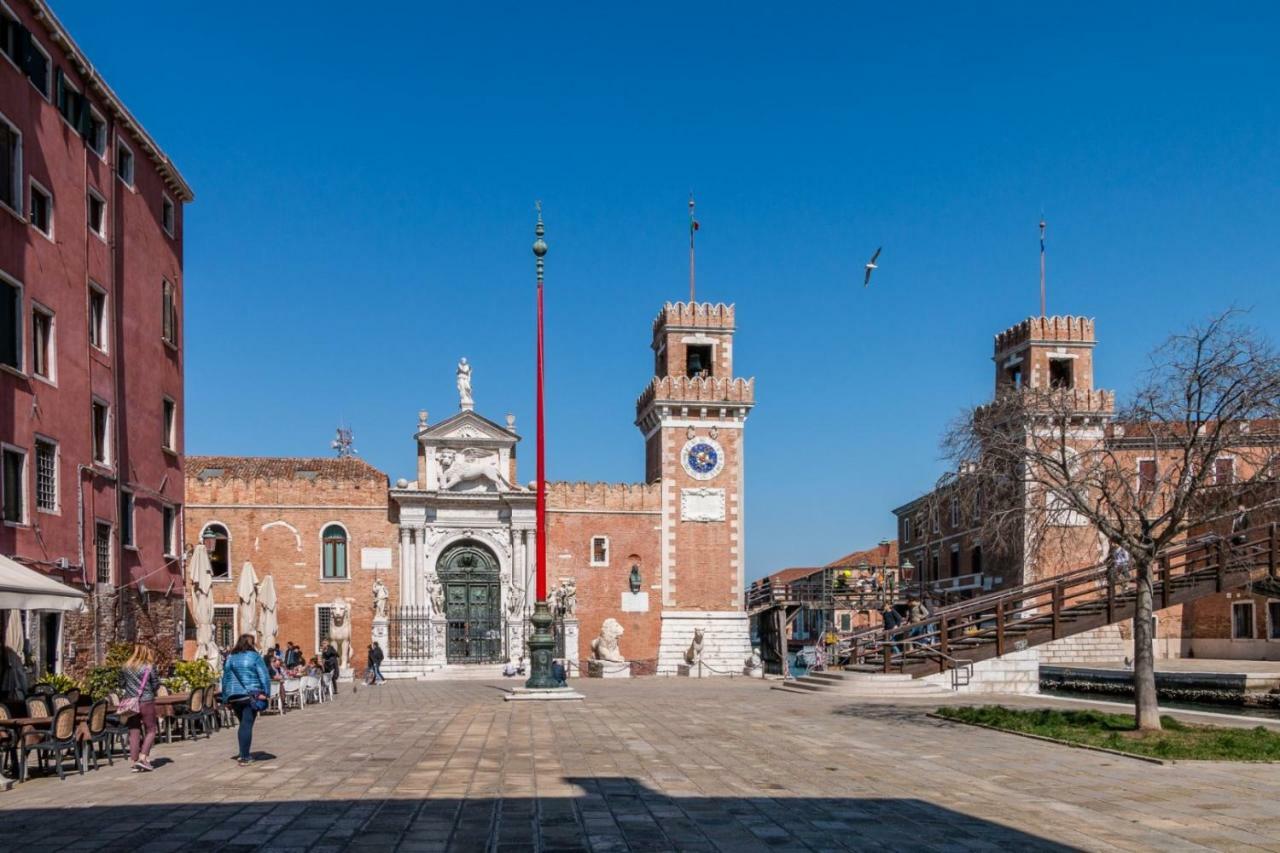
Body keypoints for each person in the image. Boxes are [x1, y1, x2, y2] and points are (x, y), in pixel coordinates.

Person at [221, 633, 272, 767]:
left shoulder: (230, 658)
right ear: (251, 644)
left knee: (243, 724)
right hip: (250, 694)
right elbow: (264, 675)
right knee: (247, 724)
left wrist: (226, 698)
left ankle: (243, 752)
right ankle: (244, 756)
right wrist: (266, 693)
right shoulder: (254, 657)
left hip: (234, 695)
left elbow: (225, 678)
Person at [118, 643, 159, 773]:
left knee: (134, 730)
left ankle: (135, 760)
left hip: (130, 702)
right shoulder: (149, 667)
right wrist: (150, 691)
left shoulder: (125, 667)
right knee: (151, 729)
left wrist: (131, 690)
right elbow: (156, 684)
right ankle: (143, 757)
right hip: (146, 701)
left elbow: (121, 683)